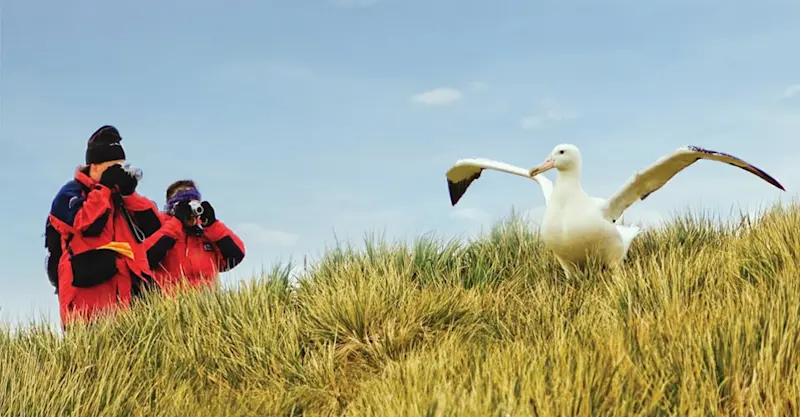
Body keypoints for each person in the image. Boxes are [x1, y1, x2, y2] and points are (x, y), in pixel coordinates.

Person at [45, 125, 162, 327]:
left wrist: (129, 194)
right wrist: (104, 189)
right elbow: (86, 225)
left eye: (121, 167)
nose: (118, 173)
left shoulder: (120, 196)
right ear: (95, 166)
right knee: (95, 357)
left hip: (131, 299)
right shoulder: (69, 194)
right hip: (89, 301)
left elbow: (154, 225)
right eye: (113, 167)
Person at [144, 179, 245, 294]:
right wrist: (176, 223)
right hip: (168, 304)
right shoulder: (160, 228)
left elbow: (237, 254)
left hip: (204, 305)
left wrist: (212, 224)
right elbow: (147, 258)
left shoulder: (207, 234)